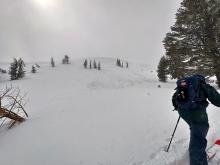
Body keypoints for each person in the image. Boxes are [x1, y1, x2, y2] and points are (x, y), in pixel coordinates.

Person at [172, 74, 220, 165]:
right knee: (198, 140)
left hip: (183, 114)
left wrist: (183, 107)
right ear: (201, 80)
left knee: (195, 131)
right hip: (198, 116)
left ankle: (197, 152)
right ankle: (197, 159)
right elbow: (217, 100)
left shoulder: (183, 85)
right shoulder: (203, 85)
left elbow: (174, 100)